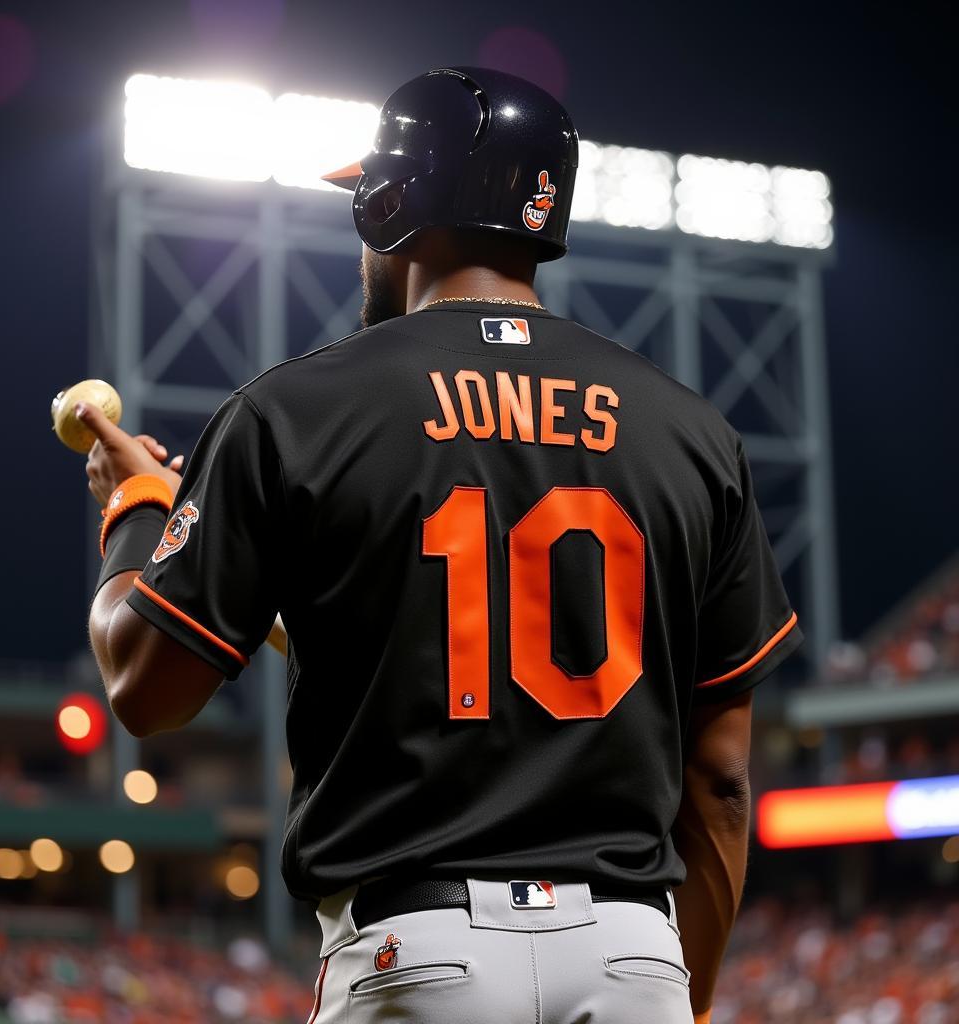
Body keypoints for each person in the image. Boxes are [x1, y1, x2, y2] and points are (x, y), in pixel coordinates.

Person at [82, 66, 803, 1024]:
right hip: (636, 960)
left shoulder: (294, 410)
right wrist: (680, 996)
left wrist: (134, 510)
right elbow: (720, 779)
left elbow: (145, 687)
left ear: (391, 204)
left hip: (418, 956)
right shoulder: (693, 432)